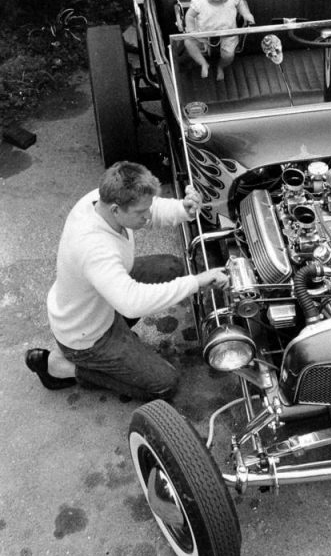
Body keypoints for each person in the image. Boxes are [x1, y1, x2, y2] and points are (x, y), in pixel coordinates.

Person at [25, 161, 227, 400]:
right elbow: (132, 303)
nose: (147, 216)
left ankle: (122, 347)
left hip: (100, 301)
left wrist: (183, 209)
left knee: (171, 267)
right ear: (115, 210)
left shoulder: (100, 200)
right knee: (165, 384)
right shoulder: (95, 249)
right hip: (88, 336)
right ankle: (65, 368)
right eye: (141, 213)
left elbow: (151, 207)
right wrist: (197, 282)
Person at [184, 0, 254, 81]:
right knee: (188, 43)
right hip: (204, 34)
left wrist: (246, 14)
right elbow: (190, 15)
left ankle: (221, 66)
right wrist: (192, 30)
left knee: (229, 56)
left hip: (227, 34)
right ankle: (203, 63)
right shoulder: (199, 1)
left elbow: (240, 4)